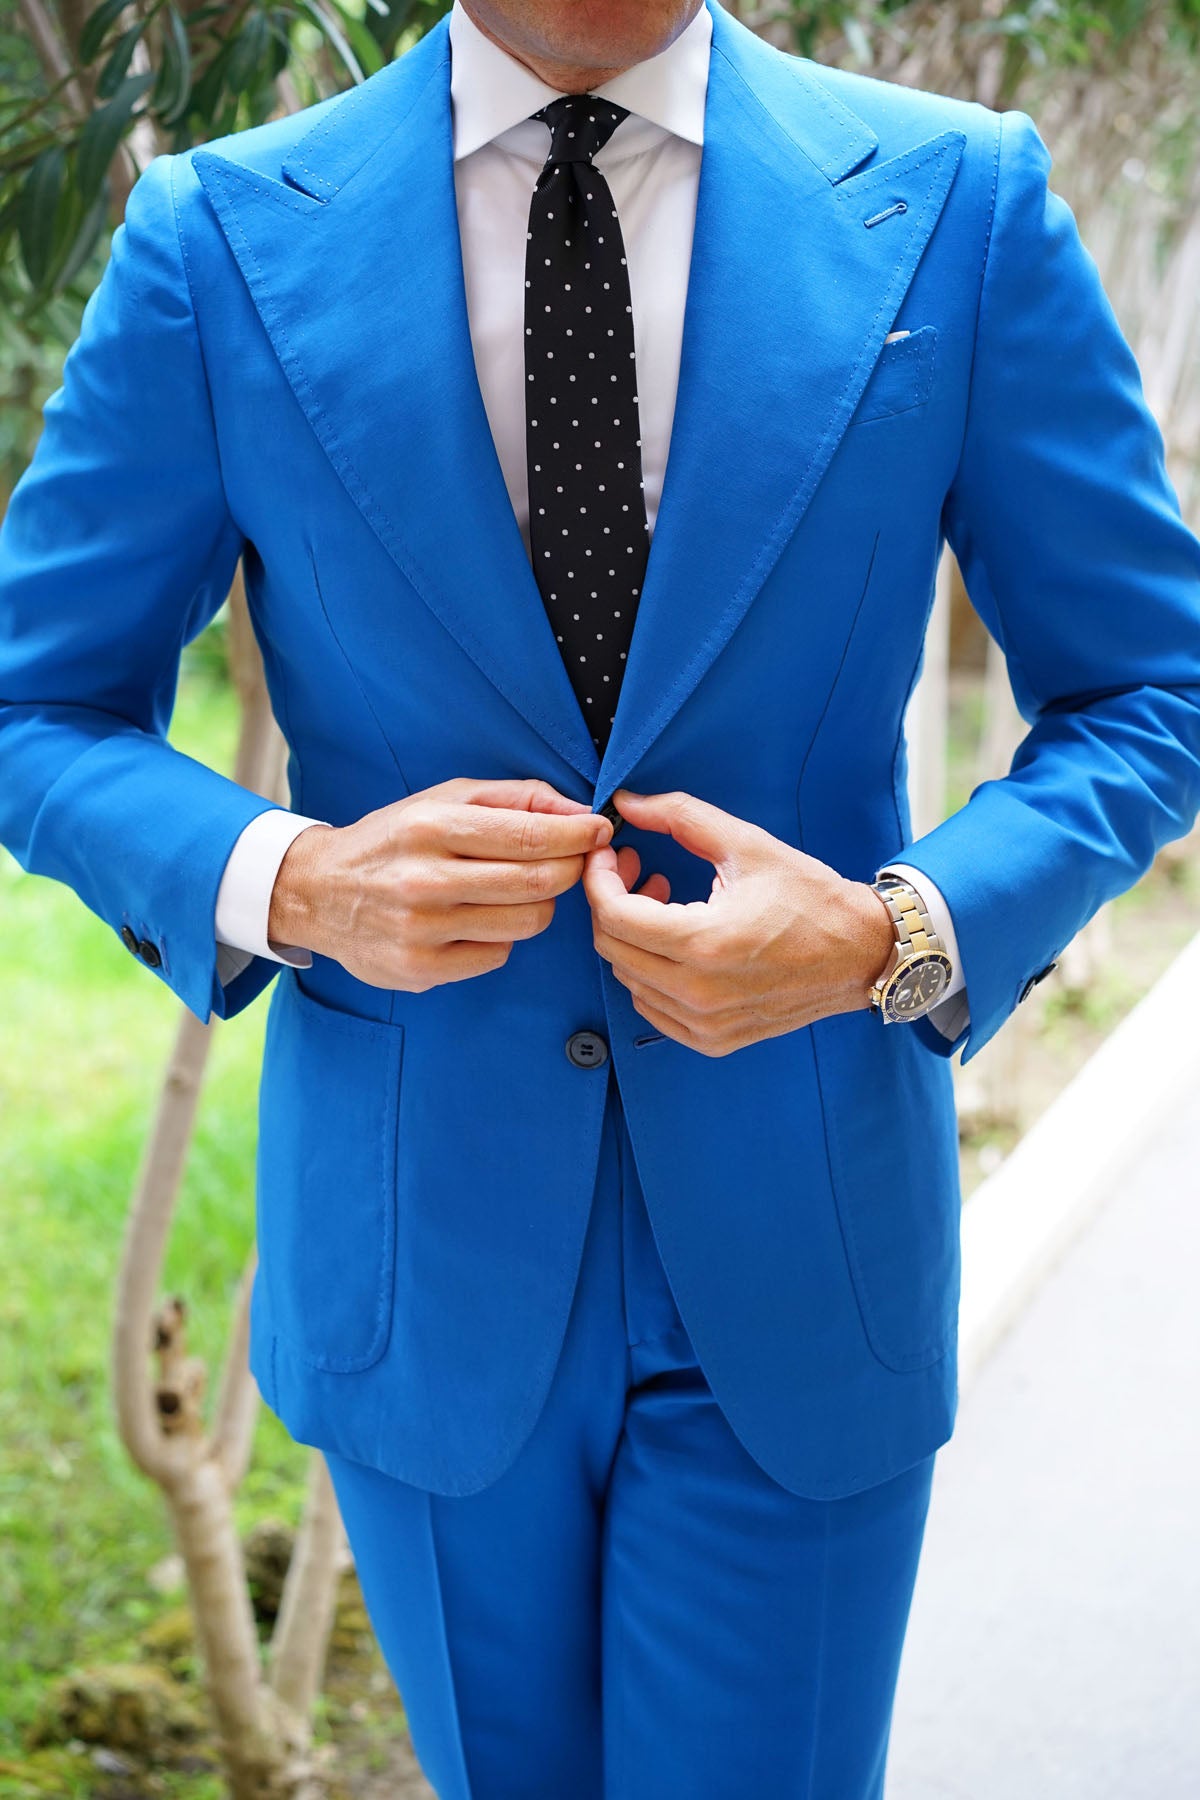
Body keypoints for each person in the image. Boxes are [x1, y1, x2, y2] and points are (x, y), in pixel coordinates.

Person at [3, 0, 1200, 1791]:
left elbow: (1149, 684)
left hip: (805, 1237)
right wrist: (293, 880)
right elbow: (38, 700)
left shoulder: (959, 198)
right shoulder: (222, 234)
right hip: (428, 1254)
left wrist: (901, 931)